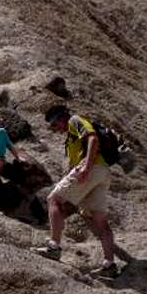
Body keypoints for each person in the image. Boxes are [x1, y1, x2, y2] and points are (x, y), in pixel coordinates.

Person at [33, 104, 117, 277]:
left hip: (91, 167)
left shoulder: (74, 120)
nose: (55, 129)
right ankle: (110, 264)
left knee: (53, 200)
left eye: (54, 124)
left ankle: (53, 247)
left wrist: (86, 167)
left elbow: (93, 139)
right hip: (102, 172)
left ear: (61, 118)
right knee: (100, 220)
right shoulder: (71, 137)